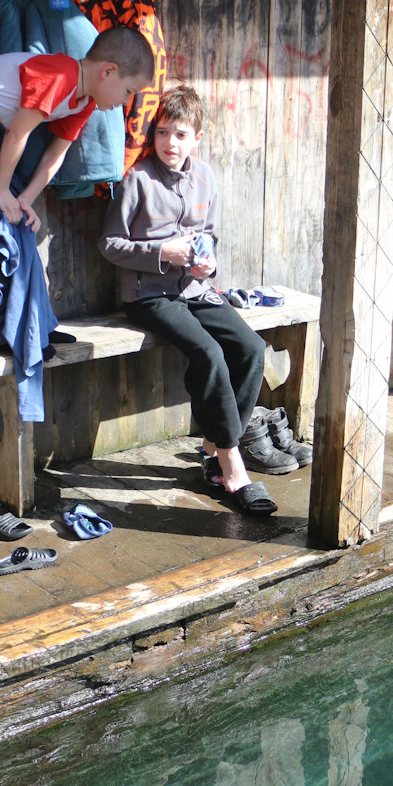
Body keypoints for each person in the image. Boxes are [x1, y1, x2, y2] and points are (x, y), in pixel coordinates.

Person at [0, 27, 155, 420]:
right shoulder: (61, 76)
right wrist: (3, 192)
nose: (125, 102)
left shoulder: (82, 101)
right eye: (129, 92)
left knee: (20, 228)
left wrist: (25, 200)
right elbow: (19, 131)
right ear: (108, 72)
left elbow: (54, 156)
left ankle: (34, 326)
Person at [96, 85, 280, 514]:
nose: (170, 144)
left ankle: (213, 444)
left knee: (251, 349)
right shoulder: (137, 179)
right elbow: (108, 244)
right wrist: (161, 252)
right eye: (162, 133)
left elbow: (209, 237)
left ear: (198, 136)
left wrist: (206, 266)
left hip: (197, 290)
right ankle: (231, 465)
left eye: (180, 135)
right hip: (149, 295)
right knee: (210, 354)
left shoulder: (206, 176)